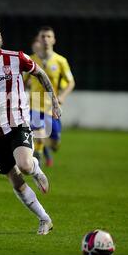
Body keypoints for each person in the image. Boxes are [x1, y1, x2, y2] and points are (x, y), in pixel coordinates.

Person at [0, 16, 62, 235]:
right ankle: (45, 219)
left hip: (18, 124)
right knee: (15, 181)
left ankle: (35, 169)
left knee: (24, 166)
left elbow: (41, 74)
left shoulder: (17, 58)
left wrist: (53, 101)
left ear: (0, 38)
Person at [28, 26, 75, 167]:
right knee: (39, 134)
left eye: (49, 36)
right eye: (43, 36)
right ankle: (38, 155)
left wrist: (62, 96)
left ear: (53, 40)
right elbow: (21, 80)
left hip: (52, 108)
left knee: (54, 144)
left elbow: (71, 82)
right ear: (39, 39)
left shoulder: (61, 61)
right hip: (34, 105)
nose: (46, 39)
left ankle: (48, 146)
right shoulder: (30, 60)